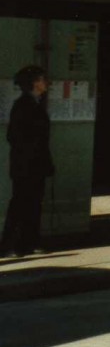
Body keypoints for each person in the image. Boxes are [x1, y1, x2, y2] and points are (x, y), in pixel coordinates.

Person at [2, 66, 54, 258]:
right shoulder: (24, 105)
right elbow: (16, 137)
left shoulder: (33, 104)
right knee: (21, 204)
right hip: (26, 165)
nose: (45, 82)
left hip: (31, 164)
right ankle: (10, 244)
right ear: (34, 83)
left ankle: (28, 242)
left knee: (32, 204)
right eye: (42, 79)